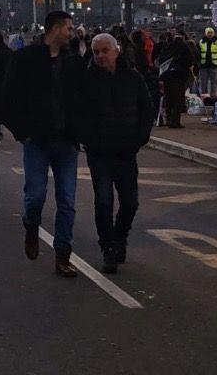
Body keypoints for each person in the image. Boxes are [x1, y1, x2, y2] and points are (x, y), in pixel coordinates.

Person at [0, 10, 83, 278]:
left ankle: (63, 255)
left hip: (66, 142)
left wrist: (79, 131)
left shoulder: (73, 62)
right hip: (36, 140)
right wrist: (22, 132)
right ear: (55, 29)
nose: (71, 33)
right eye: (68, 28)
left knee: (67, 202)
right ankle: (31, 226)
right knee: (35, 197)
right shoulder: (26, 59)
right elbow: (9, 98)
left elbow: (84, 98)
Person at [75, 33, 154, 274]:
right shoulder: (87, 80)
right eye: (95, 51)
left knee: (130, 202)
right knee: (104, 200)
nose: (99, 56)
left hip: (126, 150)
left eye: (104, 51)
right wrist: (87, 138)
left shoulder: (132, 78)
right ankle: (108, 247)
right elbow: (78, 112)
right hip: (99, 151)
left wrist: (140, 138)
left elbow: (146, 109)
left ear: (115, 51)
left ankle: (120, 238)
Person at [158, 32, 194, 128]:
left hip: (167, 75)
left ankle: (168, 119)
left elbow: (160, 59)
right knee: (178, 99)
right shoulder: (184, 47)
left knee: (168, 98)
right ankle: (175, 121)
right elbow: (190, 60)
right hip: (179, 76)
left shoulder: (168, 47)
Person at [198, 27, 217, 98]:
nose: (210, 34)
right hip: (203, 65)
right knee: (203, 83)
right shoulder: (201, 42)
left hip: (214, 66)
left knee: (214, 82)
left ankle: (212, 96)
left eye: (211, 33)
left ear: (213, 33)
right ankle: (204, 97)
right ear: (205, 33)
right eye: (208, 33)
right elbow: (197, 53)